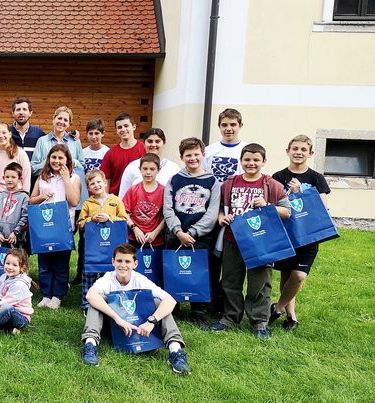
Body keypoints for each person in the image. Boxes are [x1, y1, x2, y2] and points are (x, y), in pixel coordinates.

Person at [213, 143, 290, 340]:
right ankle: (230, 318)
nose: (251, 163)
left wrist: (268, 206)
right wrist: (222, 217)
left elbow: (287, 212)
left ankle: (260, 321)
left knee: (260, 282)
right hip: (233, 238)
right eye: (247, 159)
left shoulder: (271, 185)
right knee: (230, 281)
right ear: (241, 161)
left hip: (260, 241)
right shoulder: (229, 183)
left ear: (263, 162)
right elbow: (220, 208)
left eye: (256, 160)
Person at [80, 243, 192, 375]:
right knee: (96, 301)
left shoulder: (140, 279)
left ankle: (176, 351)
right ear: (113, 262)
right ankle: (90, 345)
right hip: (112, 326)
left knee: (158, 302)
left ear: (135, 264)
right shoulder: (108, 278)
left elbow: (170, 300)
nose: (123, 265)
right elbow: (90, 295)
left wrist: (152, 321)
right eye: (119, 261)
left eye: (127, 261)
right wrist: (118, 319)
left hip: (137, 327)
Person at [270, 135, 332, 331]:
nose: (298, 152)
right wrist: (290, 194)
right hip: (286, 234)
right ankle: (291, 317)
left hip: (308, 234)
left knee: (298, 276)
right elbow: (274, 206)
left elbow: (321, 209)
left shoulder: (316, 178)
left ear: (311, 153)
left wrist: (301, 193)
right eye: (295, 148)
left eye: (303, 150)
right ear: (287, 151)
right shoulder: (278, 177)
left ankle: (277, 308)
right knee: (286, 276)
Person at [163, 137, 221, 329]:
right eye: (188, 155)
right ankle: (173, 306)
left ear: (203, 155)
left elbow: (212, 212)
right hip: (175, 234)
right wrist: (178, 230)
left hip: (201, 237)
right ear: (182, 157)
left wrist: (194, 232)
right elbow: (168, 208)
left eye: (196, 154)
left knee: (199, 273)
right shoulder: (175, 180)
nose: (193, 158)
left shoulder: (212, 182)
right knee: (174, 270)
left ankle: (199, 312)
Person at [29, 144, 80, 310]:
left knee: (60, 263)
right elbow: (31, 200)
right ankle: (46, 294)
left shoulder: (74, 178)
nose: (57, 161)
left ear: (67, 160)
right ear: (48, 159)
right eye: (54, 157)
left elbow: (74, 201)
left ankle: (58, 295)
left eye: (61, 158)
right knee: (45, 263)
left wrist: (65, 180)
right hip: (44, 227)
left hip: (63, 227)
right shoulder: (42, 177)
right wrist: (42, 196)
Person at [76, 170, 129, 312]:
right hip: (93, 247)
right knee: (89, 275)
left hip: (111, 247)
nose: (96, 185)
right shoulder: (87, 204)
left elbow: (124, 220)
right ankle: (87, 305)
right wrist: (91, 219)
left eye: (99, 182)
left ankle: (109, 303)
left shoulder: (116, 201)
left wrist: (109, 218)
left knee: (109, 275)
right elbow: (80, 224)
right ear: (89, 188)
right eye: (92, 183)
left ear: (105, 183)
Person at [117, 128, 181, 198]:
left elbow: (178, 196)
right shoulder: (132, 167)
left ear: (164, 143)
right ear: (144, 143)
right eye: (150, 141)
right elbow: (123, 197)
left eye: (157, 141)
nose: (153, 145)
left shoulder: (173, 168)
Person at [122, 153, 166, 248]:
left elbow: (167, 217)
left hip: (156, 240)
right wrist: (134, 229)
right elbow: (123, 212)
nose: (148, 172)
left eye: (152, 169)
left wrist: (155, 233)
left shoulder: (164, 191)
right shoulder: (133, 190)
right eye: (145, 169)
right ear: (140, 169)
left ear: (159, 170)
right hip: (134, 238)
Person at [30, 106, 83, 182]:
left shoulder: (75, 141)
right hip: (48, 185)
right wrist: (48, 163)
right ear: (54, 119)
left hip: (69, 186)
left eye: (65, 120)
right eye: (59, 118)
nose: (61, 122)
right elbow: (33, 169)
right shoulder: (42, 141)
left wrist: (73, 162)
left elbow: (82, 167)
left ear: (69, 124)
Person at [100, 112, 146, 195]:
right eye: (119, 127)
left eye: (126, 126)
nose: (123, 129)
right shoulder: (110, 154)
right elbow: (106, 181)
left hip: (139, 198)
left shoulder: (144, 149)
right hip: (116, 201)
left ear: (134, 127)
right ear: (116, 131)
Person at [0, 162, 30, 251]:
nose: (10, 180)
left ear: (20, 179)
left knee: (17, 262)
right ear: (3, 178)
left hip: (16, 240)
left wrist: (15, 232)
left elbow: (25, 217)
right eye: (7, 177)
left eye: (13, 177)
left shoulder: (24, 197)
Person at [205, 108, 247, 183]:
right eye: (224, 125)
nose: (228, 129)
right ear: (219, 126)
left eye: (233, 125)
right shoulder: (208, 151)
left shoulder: (248, 151)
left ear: (240, 126)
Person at [0, 122, 31, 195]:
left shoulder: (20, 153)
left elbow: (26, 177)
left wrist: (25, 196)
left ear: (10, 134)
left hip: (16, 195)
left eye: (4, 132)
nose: (1, 136)